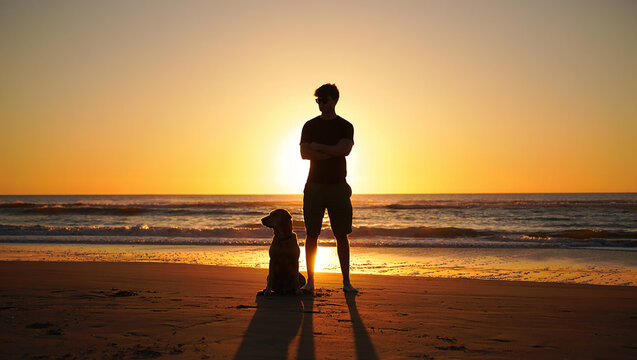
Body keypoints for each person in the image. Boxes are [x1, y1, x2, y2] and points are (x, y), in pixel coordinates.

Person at [299, 83, 357, 293]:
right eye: (318, 101)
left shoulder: (345, 126)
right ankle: (311, 281)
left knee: (341, 234)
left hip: (338, 186)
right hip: (314, 185)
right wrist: (333, 152)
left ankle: (346, 282)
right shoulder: (310, 126)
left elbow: (346, 150)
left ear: (334, 100)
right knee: (311, 234)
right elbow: (305, 153)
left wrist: (319, 148)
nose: (320, 104)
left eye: (324, 100)